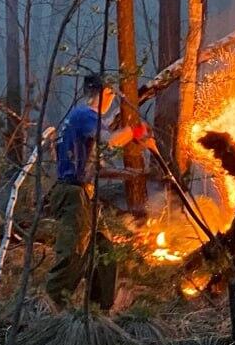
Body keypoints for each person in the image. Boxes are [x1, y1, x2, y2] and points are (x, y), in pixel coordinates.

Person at [45, 74, 156, 310]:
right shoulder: (86, 115)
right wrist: (138, 130)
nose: (112, 101)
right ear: (105, 93)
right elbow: (111, 141)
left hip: (85, 193)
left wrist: (128, 173)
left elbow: (90, 164)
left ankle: (98, 311)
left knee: (105, 250)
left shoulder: (77, 118)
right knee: (73, 255)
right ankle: (47, 307)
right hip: (74, 195)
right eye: (111, 95)